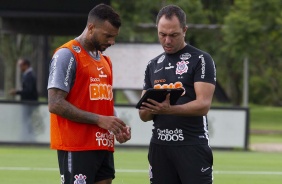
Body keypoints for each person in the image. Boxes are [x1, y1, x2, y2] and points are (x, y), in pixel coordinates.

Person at [47, 4, 131, 184]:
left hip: (103, 144)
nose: (111, 42)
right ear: (91, 28)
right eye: (107, 36)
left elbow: (103, 102)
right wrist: (100, 120)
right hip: (77, 145)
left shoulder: (105, 60)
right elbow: (55, 103)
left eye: (114, 37)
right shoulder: (67, 55)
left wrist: (116, 126)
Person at [138, 5, 216, 184]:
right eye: (162, 34)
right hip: (160, 146)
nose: (167, 40)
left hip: (191, 145)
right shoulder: (153, 65)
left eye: (173, 35)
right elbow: (143, 115)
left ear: (184, 30)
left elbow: (203, 105)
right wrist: (152, 108)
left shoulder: (201, 59)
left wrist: (169, 109)